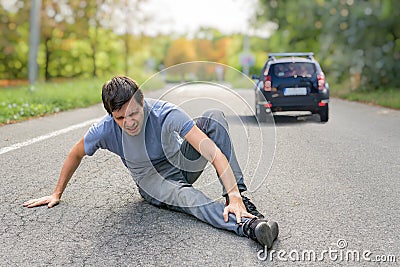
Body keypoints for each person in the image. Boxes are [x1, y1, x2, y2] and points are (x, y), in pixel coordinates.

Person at [23, 75, 279, 248]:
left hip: (181, 163)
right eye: (121, 117)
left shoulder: (166, 113)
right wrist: (57, 192)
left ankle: (241, 202)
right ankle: (249, 225)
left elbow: (212, 151)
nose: (130, 121)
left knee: (213, 118)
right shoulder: (103, 130)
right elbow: (75, 153)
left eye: (134, 112)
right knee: (190, 197)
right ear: (111, 115)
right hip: (153, 182)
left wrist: (233, 193)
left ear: (143, 102)